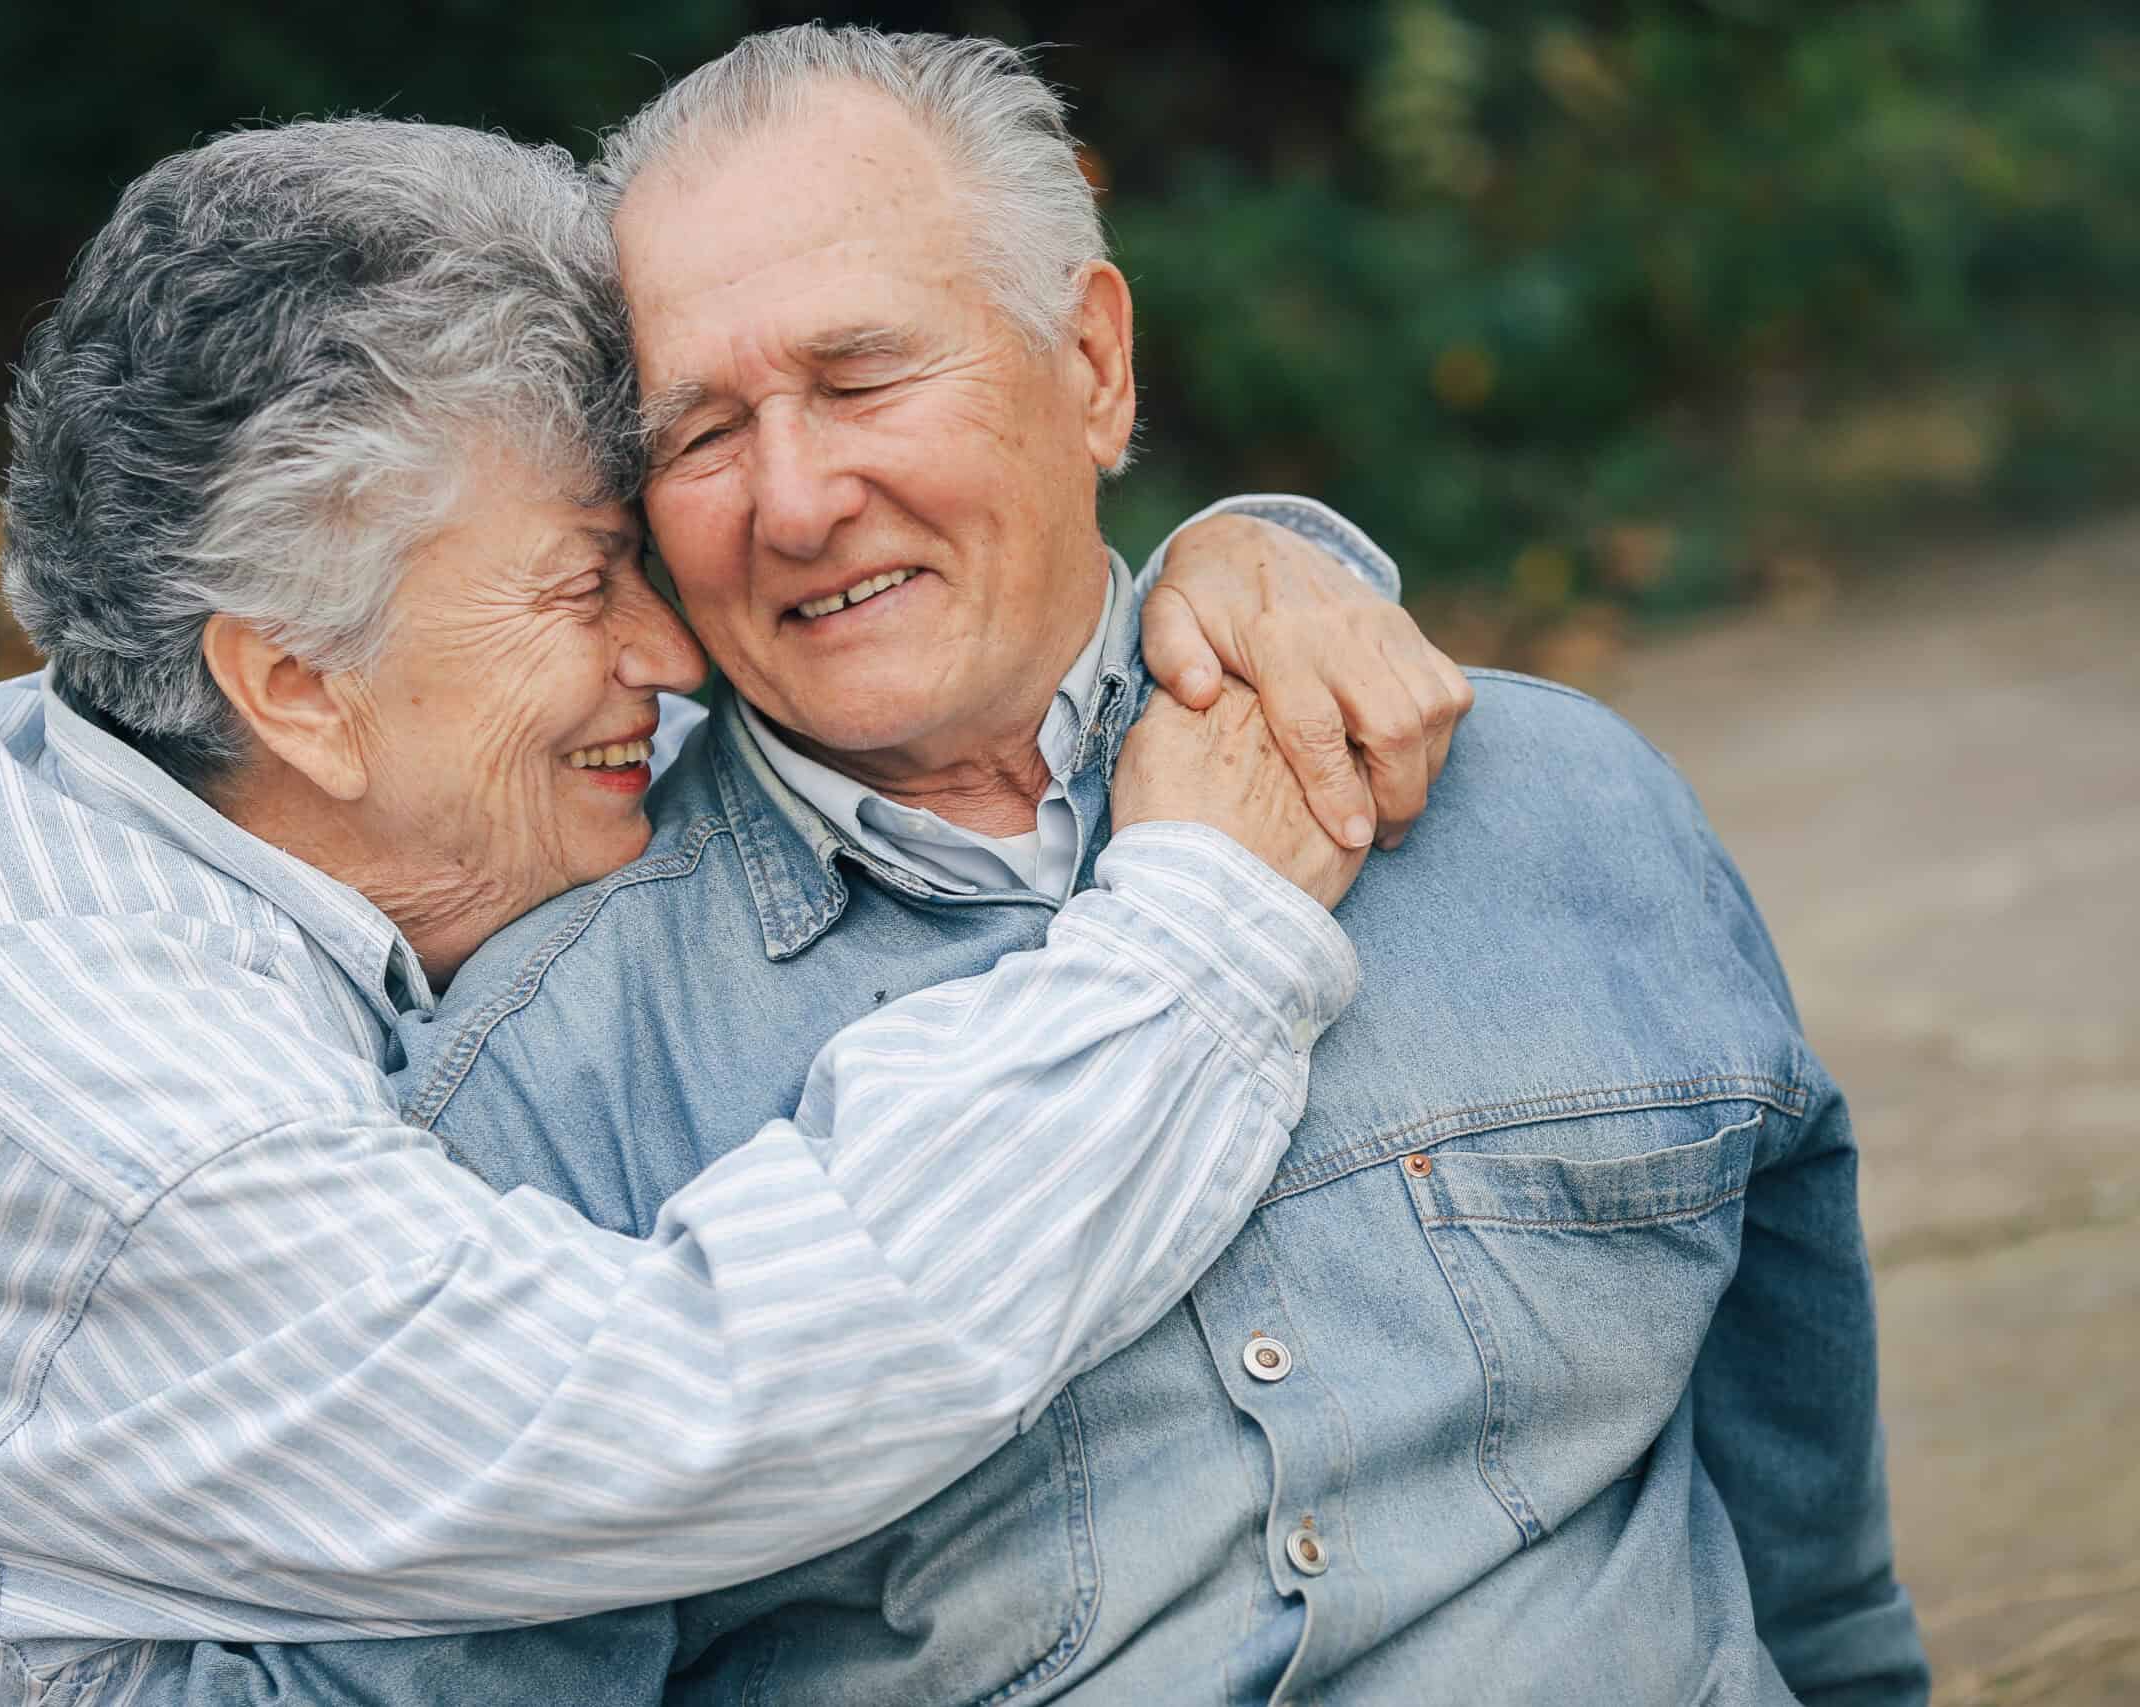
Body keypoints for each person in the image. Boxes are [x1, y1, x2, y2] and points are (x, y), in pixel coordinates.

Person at [0, 119, 1467, 1703]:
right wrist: (1205, 932)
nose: (667, 651)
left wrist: (1229, 574)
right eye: (583, 582)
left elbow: (921, 656)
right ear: (295, 681)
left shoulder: (183, 776)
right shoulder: (113, 1096)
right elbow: (712, 1409)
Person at [298, 26, 1931, 1705]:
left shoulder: (1552, 808)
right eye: (699, 433)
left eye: (861, 380)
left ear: (1091, 365)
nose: (793, 501)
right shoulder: (551, 1094)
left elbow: (1797, 1476)